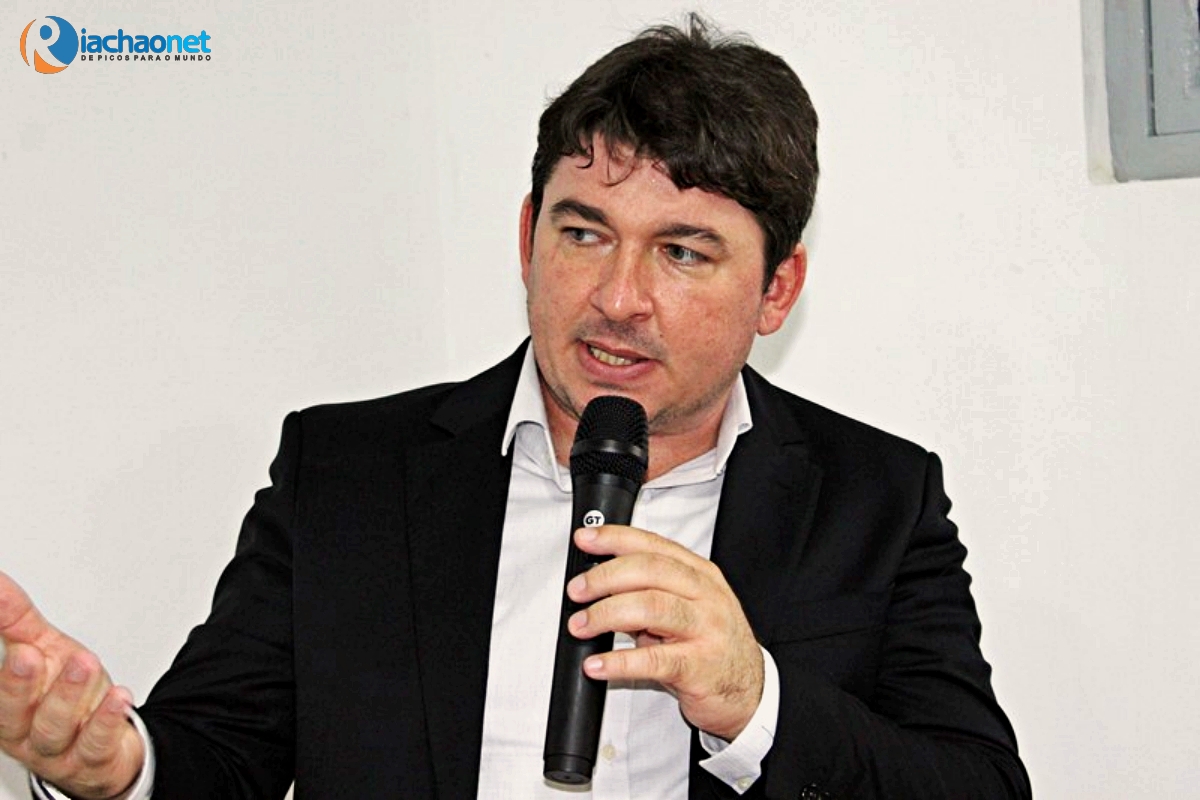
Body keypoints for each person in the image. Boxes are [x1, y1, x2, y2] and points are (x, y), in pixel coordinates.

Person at [0, 15, 1030, 799]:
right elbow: (220, 751)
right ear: (529, 235)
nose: (619, 297)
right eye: (584, 233)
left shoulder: (876, 499)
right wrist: (114, 767)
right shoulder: (348, 470)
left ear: (777, 289)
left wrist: (756, 702)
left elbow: (976, 785)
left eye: (682, 252)